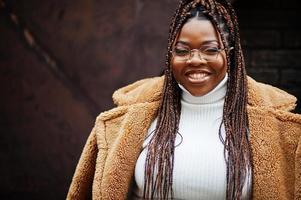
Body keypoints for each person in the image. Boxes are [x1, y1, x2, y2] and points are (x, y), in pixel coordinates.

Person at [67, 0, 301, 199]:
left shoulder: (279, 130)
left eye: (210, 50)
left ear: (230, 53)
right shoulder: (123, 122)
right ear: (170, 54)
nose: (195, 60)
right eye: (182, 50)